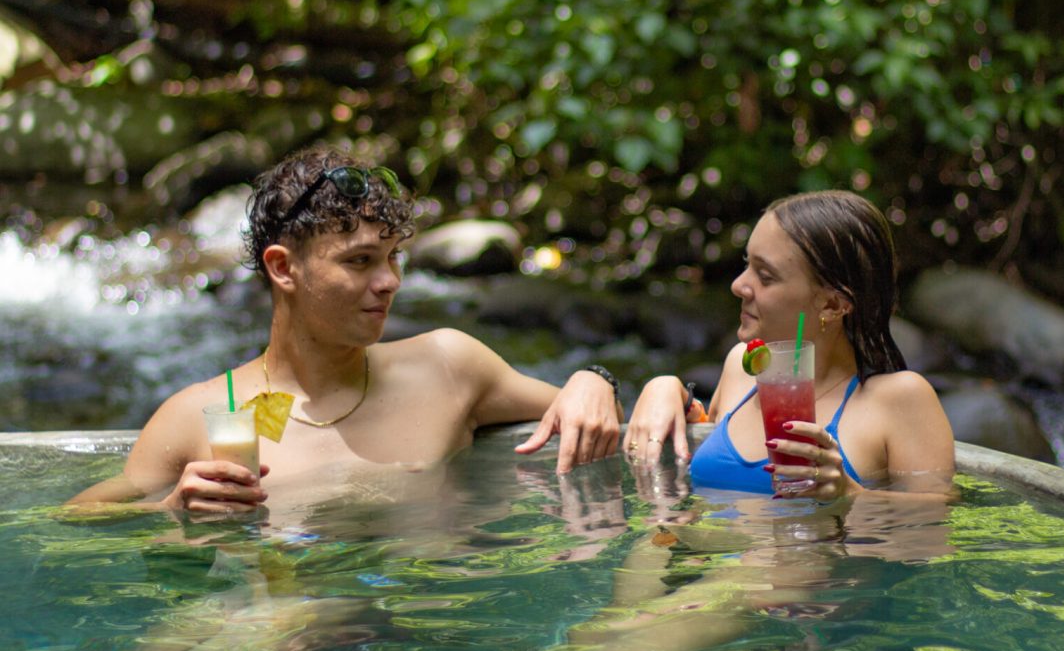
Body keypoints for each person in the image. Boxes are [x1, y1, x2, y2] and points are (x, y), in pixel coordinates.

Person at [68, 145, 623, 514]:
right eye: (359, 262)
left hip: (434, 641)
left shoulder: (447, 366)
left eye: (394, 258)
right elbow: (75, 521)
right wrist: (167, 511)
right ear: (283, 268)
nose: (389, 283)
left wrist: (593, 378)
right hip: (288, 646)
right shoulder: (205, 413)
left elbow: (600, 418)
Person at [622, 189, 955, 496]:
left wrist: (852, 495)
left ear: (832, 305)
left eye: (765, 276)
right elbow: (696, 433)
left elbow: (933, 530)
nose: (739, 285)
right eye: (746, 265)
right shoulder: (742, 366)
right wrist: (666, 388)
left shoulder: (899, 399)